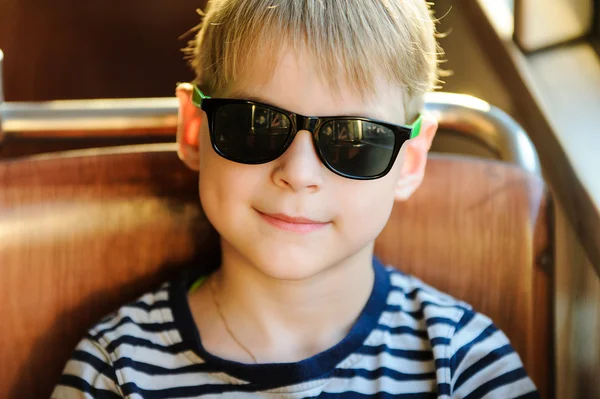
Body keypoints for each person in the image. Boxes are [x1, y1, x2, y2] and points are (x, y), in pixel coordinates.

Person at [52, 0, 539, 397]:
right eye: (256, 124)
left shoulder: (465, 364)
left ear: (409, 161)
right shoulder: (115, 370)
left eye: (354, 139)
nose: (298, 174)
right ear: (196, 130)